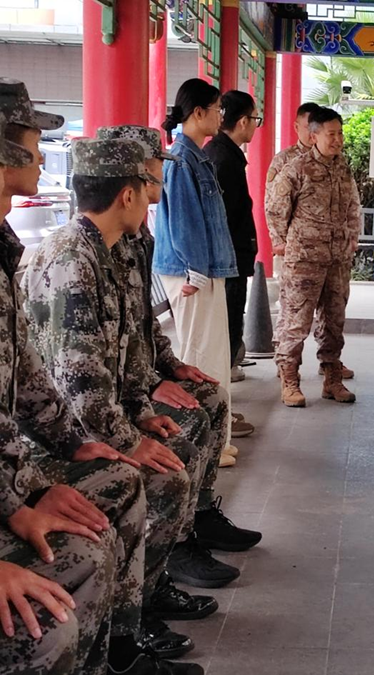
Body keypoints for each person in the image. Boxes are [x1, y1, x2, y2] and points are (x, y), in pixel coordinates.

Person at [21, 138, 214, 670]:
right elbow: (76, 382)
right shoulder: (72, 260)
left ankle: (137, 613)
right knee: (154, 476)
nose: (154, 196)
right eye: (148, 185)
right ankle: (127, 635)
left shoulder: (106, 250)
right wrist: (128, 441)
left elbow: (128, 347)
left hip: (83, 424)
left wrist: (141, 410)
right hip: (54, 442)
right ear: (127, 195)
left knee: (178, 440)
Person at [96, 125, 260, 560]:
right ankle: (176, 550)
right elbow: (80, 376)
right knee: (182, 439)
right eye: (154, 169)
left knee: (211, 395)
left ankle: (201, 517)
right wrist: (145, 400)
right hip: (105, 410)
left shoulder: (134, 239)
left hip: (132, 389)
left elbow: (143, 325)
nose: (160, 177)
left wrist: (169, 368)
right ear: (129, 182)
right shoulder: (77, 258)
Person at [0, 107, 118, 675]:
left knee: (102, 510)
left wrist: (72, 445)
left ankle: (121, 648)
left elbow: (25, 381)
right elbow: (75, 369)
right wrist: (17, 503)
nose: (40, 155)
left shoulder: (4, 250)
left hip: (12, 476)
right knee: (48, 624)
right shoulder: (70, 254)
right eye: (31, 140)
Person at [154, 78, 237, 447]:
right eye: (217, 109)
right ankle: (203, 443)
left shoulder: (194, 157)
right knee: (201, 356)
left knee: (211, 353)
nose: (221, 116)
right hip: (193, 273)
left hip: (201, 270)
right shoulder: (182, 160)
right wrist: (196, 272)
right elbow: (184, 222)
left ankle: (216, 441)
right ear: (199, 112)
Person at [266, 107, 360, 407]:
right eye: (331, 134)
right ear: (314, 135)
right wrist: (282, 242)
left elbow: (353, 205)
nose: (337, 140)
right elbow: (276, 208)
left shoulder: (343, 168)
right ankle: (290, 380)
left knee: (334, 321)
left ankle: (332, 379)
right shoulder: (297, 168)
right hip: (304, 260)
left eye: (340, 134)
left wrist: (352, 236)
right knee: (296, 322)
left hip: (337, 260)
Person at [203, 91, 262, 436]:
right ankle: (219, 415)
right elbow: (222, 218)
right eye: (255, 119)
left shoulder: (224, 154)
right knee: (223, 337)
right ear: (243, 122)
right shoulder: (222, 158)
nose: (255, 125)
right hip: (226, 264)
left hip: (232, 261)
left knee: (228, 334)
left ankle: (222, 409)